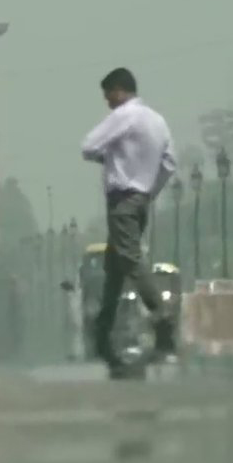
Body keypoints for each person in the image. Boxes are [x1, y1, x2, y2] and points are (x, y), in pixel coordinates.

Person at [80, 68, 177, 376]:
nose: (107, 103)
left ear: (120, 91)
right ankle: (102, 335)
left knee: (131, 259)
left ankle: (163, 320)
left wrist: (109, 158)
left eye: (108, 95)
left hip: (122, 200)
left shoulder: (125, 115)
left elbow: (89, 146)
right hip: (141, 199)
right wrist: (150, 192)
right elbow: (170, 163)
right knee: (114, 268)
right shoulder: (157, 121)